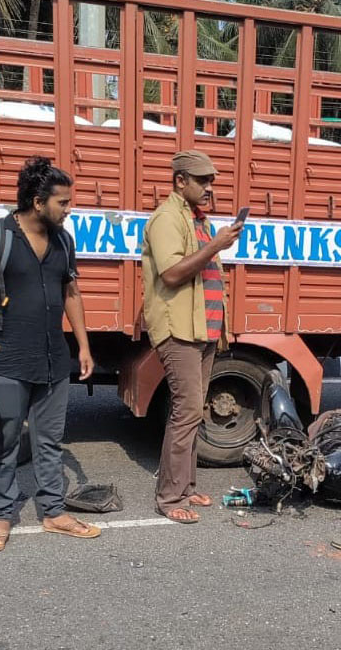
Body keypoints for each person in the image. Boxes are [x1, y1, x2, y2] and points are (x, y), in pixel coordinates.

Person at [0, 157, 98, 553]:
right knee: (2, 441)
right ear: (38, 202)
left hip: (54, 359)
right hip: (6, 359)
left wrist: (83, 345)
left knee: (49, 441)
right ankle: (1, 517)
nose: (69, 210)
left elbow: (71, 294)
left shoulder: (63, 242)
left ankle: (53, 512)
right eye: (63, 203)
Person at [142, 151, 243, 524]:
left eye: (211, 181)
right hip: (179, 331)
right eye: (202, 181)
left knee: (194, 411)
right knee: (185, 412)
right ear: (180, 181)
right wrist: (215, 245)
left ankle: (186, 487)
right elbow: (171, 275)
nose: (209, 188)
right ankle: (169, 498)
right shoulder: (167, 218)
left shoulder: (197, 219)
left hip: (202, 329)